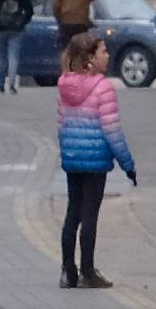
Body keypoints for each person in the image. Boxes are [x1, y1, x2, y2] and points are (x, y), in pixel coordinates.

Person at [55, 28, 135, 289]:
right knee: (89, 216)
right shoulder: (103, 88)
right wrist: (127, 164)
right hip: (96, 160)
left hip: (72, 159)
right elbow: (112, 131)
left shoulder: (64, 84)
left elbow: (61, 124)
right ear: (90, 58)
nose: (108, 55)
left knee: (72, 214)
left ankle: (68, 271)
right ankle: (88, 270)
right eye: (103, 51)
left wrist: (67, 151)